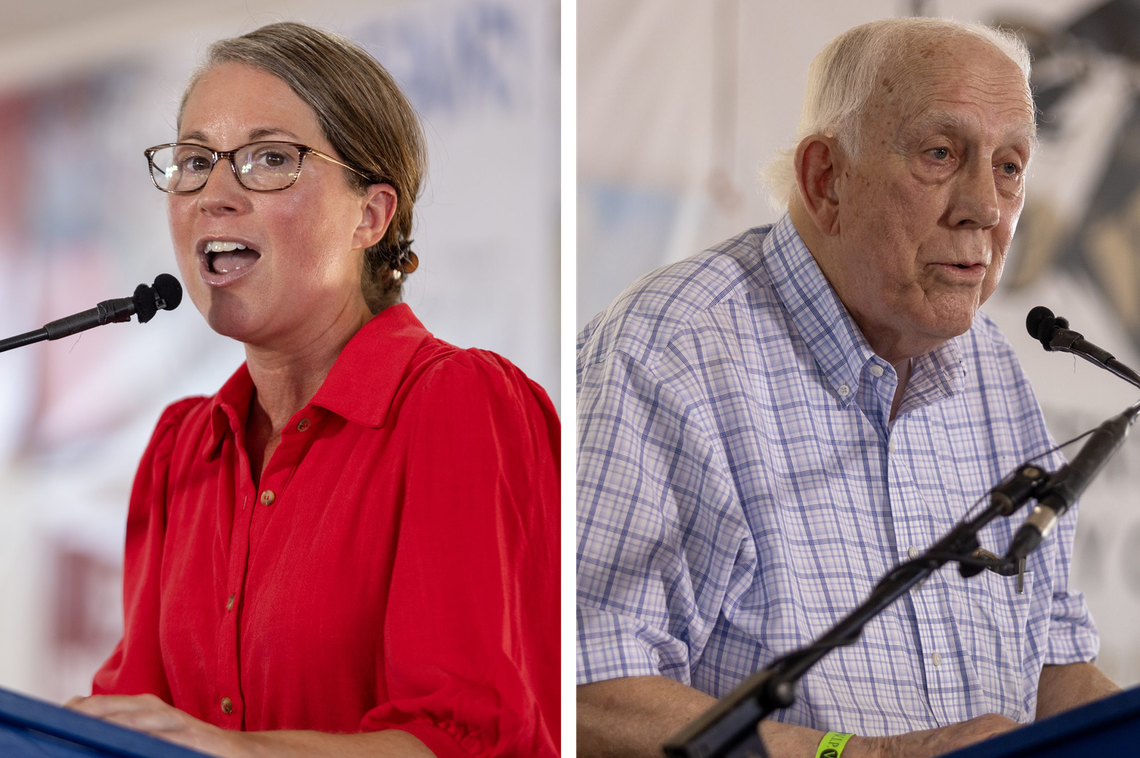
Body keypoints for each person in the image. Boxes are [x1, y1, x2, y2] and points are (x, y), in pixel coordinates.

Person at [576, 17, 1120, 758]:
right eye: (941, 153)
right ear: (825, 179)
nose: (985, 209)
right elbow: (589, 697)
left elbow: (1054, 664)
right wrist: (873, 756)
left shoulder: (995, 372)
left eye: (1011, 167)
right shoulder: (672, 357)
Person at [62, 21, 561, 758]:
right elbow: (135, 724)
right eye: (195, 160)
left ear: (370, 215)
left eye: (269, 159)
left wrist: (233, 750)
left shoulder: (459, 404)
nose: (214, 194)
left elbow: (472, 739)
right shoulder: (181, 450)